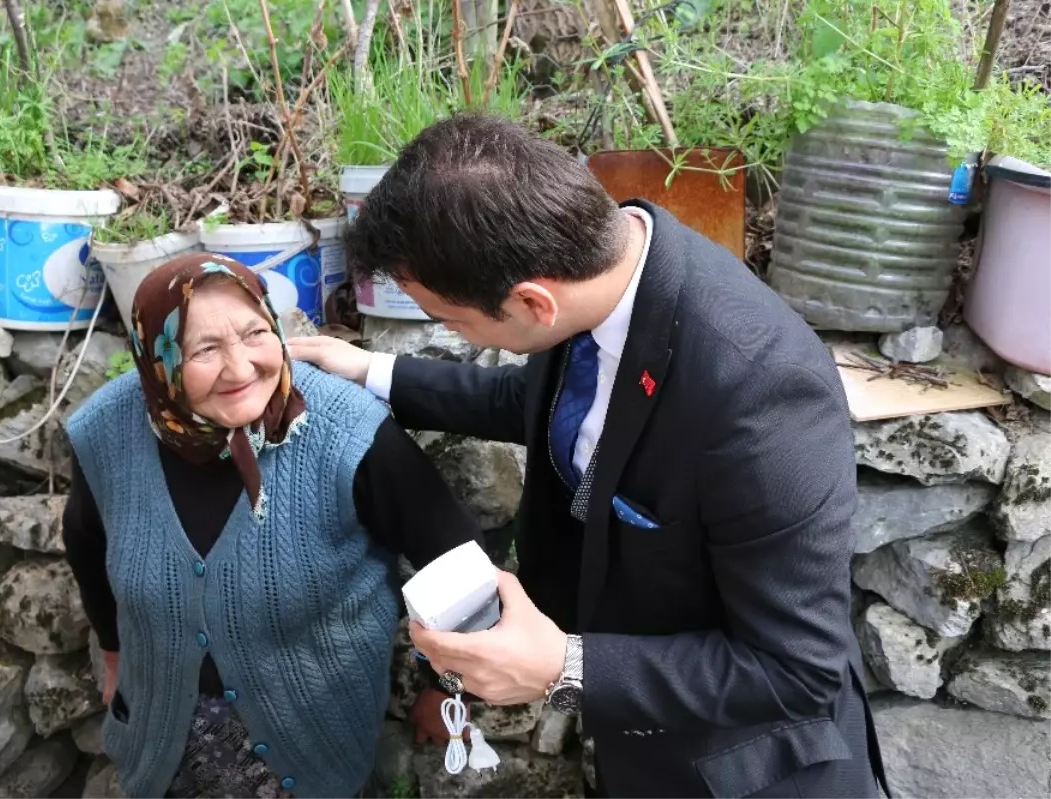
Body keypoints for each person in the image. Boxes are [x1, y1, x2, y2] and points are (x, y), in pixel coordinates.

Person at [289, 113, 891, 799]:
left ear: (531, 302)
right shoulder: (601, 264)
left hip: (748, 774)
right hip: (641, 754)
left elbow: (795, 671)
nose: (449, 332)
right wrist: (372, 371)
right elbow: (550, 406)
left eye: (451, 322)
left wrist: (563, 666)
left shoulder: (760, 392)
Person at [62, 253, 483, 799]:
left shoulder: (345, 431)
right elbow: (86, 543)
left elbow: (454, 559)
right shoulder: (107, 432)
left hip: (314, 745)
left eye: (255, 333)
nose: (240, 369)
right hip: (162, 741)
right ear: (158, 358)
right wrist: (114, 653)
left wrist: (447, 689)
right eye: (205, 349)